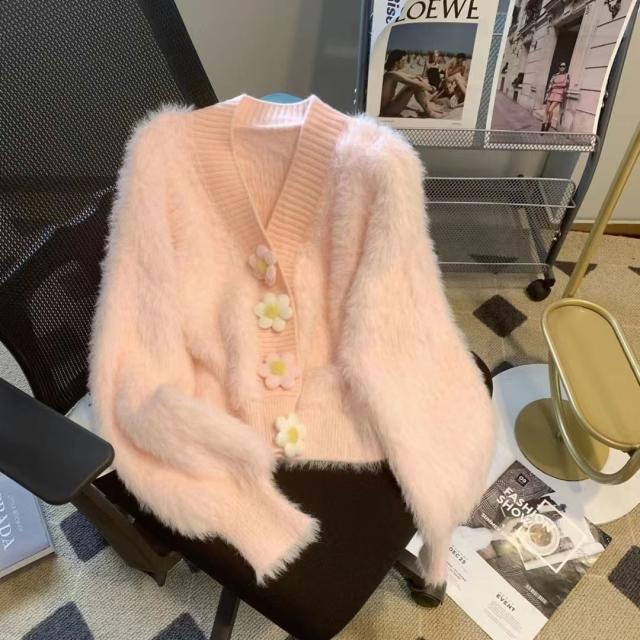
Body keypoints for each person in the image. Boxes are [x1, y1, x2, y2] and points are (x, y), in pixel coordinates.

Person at [379, 49, 446, 118]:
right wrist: (431, 89)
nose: (405, 63)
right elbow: (413, 83)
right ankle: (430, 112)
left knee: (415, 83)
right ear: (396, 62)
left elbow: (412, 76)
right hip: (387, 110)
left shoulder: (392, 73)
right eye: (403, 61)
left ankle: (429, 109)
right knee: (414, 86)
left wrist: (419, 78)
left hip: (390, 104)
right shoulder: (392, 74)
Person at [542, 61, 570, 131]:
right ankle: (543, 125)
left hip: (559, 94)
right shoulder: (555, 75)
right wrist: (549, 91)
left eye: (563, 66)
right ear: (559, 67)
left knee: (550, 110)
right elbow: (551, 84)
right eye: (561, 66)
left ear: (565, 67)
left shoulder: (567, 75)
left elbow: (565, 84)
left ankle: (549, 122)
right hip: (551, 93)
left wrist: (555, 85)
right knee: (546, 110)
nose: (562, 67)